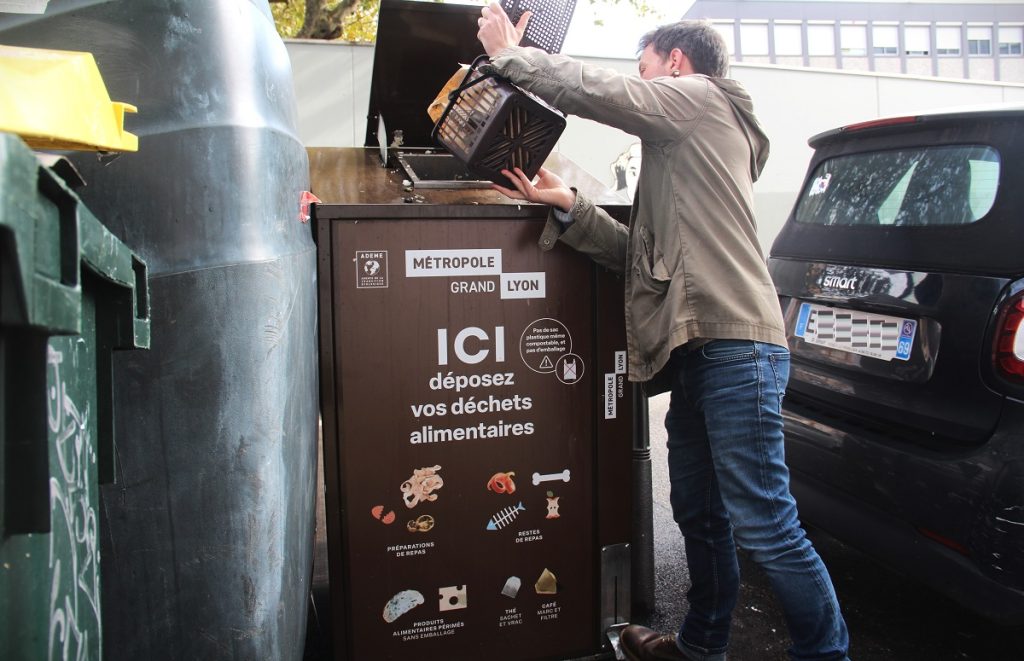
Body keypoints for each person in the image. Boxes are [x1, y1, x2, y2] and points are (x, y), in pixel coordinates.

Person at [477, 4, 851, 661]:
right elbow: (642, 262)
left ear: (675, 64)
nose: (640, 82)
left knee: (765, 522)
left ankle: (826, 652)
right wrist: (571, 207)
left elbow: (599, 91)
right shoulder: (680, 156)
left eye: (645, 68)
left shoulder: (700, 100)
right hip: (701, 353)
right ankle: (702, 646)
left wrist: (513, 55)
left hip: (737, 348)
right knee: (701, 518)